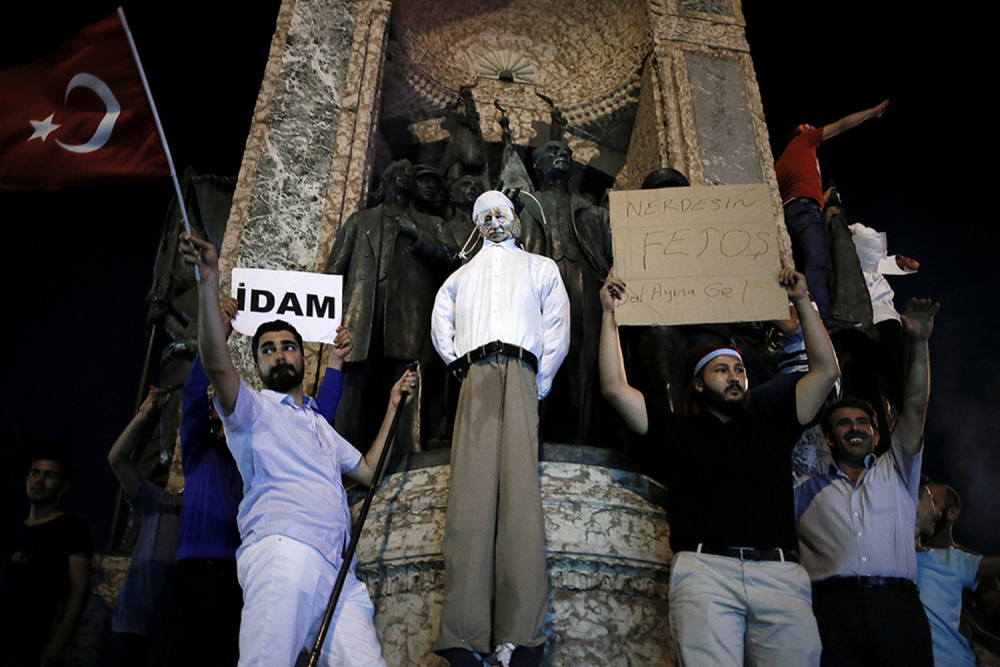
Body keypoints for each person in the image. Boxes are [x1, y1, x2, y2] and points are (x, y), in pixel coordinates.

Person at [179, 229, 415, 666]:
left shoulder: (319, 427)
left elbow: (367, 471)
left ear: (305, 357)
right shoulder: (251, 410)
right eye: (267, 350)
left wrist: (392, 405)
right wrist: (208, 282)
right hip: (282, 555)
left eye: (288, 346)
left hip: (340, 572)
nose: (280, 354)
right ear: (257, 365)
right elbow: (215, 364)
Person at [599, 267, 839, 666]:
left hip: (778, 574)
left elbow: (826, 372)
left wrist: (801, 300)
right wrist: (609, 313)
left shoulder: (775, 424)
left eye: (740, 370)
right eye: (722, 369)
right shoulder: (678, 432)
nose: (735, 377)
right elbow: (614, 388)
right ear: (697, 383)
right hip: (705, 573)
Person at [430, 190, 570, 667]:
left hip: (523, 371)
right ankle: (464, 635)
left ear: (514, 219)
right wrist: (459, 365)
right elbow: (440, 322)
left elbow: (557, 324)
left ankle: (520, 635)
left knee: (520, 498)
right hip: (477, 374)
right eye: (484, 216)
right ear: (477, 224)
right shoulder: (460, 277)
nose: (493, 222)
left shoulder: (540, 268)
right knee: (469, 497)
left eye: (500, 214)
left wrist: (540, 380)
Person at [795, 297, 939, 665]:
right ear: (828, 438)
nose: (854, 427)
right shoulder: (802, 489)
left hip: (897, 608)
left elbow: (916, 407)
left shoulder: (898, 472)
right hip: (830, 611)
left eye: (863, 422)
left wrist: (919, 344)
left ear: (877, 436)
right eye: (843, 423)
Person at [774, 100, 889, 328]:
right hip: (807, 211)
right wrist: (870, 113)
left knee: (801, 263)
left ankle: (805, 312)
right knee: (818, 263)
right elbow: (841, 125)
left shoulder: (781, 163)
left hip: (791, 214)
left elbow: (794, 194)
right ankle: (823, 317)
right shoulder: (806, 141)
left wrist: (823, 199)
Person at [105, 386, 183, 666]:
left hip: (174, 634)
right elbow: (118, 460)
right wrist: (145, 413)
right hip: (132, 627)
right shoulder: (162, 502)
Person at [0, 449, 92, 667]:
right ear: (26, 479)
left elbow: (79, 588)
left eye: (49, 475)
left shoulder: (72, 528)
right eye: (35, 473)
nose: (39, 480)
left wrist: (59, 642)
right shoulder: (12, 530)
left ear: (64, 485)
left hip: (39, 640)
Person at [917, 481, 1000, 666]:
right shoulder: (902, 553)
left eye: (933, 501)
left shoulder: (966, 561)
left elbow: (994, 612)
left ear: (952, 513)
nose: (932, 509)